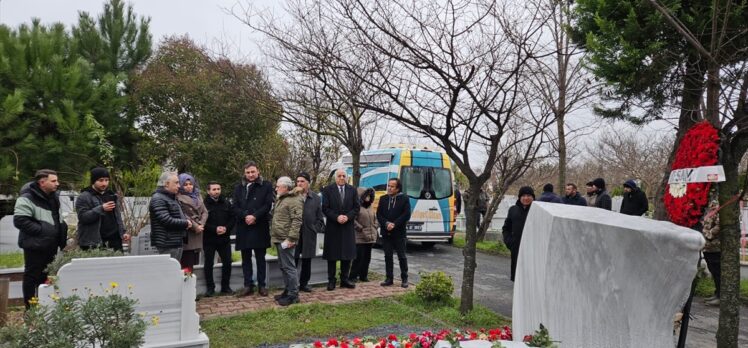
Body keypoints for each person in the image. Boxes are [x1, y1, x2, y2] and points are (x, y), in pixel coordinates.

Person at [14, 169, 67, 309]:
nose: (57, 183)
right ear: (42, 182)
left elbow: (56, 219)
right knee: (32, 278)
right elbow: (20, 221)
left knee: (47, 277)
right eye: (54, 181)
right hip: (35, 245)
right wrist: (43, 231)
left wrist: (61, 233)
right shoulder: (27, 197)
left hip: (51, 245)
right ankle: (31, 310)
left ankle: (45, 307)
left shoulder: (53, 197)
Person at [232, 162, 274, 297]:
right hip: (244, 226)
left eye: (253, 172)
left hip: (259, 225)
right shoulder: (239, 188)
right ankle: (248, 285)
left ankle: (262, 285)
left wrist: (255, 216)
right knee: (246, 258)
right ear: (245, 173)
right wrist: (245, 216)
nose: (250, 175)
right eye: (248, 172)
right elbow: (235, 206)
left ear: (258, 171)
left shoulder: (266, 185)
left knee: (261, 257)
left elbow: (268, 204)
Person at [321, 169, 360, 291]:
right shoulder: (327, 190)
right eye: (339, 176)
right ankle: (331, 280)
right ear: (335, 178)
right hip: (333, 226)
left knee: (347, 255)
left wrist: (347, 217)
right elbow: (325, 208)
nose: (342, 178)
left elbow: (356, 207)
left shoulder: (352, 190)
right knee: (332, 255)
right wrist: (336, 217)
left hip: (347, 227)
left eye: (344, 176)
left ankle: (344, 279)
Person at [270, 177, 304, 306]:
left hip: (286, 239)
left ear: (285, 187)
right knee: (283, 266)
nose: (276, 188)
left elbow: (297, 220)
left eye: (278, 186)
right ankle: (288, 290)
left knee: (289, 267)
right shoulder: (283, 198)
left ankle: (293, 295)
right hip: (279, 237)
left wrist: (291, 238)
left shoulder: (294, 200)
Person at [75, 167, 129, 251]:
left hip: (114, 241)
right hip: (94, 242)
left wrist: (123, 232)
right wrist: (101, 208)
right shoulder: (84, 196)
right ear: (93, 181)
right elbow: (83, 217)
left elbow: (117, 217)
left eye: (107, 180)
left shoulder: (112, 195)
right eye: (101, 180)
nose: (104, 183)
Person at [376, 178, 412, 288]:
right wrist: (386, 223)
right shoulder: (383, 199)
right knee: (388, 256)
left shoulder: (404, 199)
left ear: (397, 188)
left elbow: (406, 215)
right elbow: (379, 214)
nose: (389, 188)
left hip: (399, 233)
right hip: (386, 233)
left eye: (392, 186)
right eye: (389, 186)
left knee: (402, 256)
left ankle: (404, 278)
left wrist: (394, 224)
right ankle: (389, 278)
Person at [150, 172, 192, 260]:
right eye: (176, 183)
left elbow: (179, 215)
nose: (179, 186)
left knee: (174, 270)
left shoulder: (170, 197)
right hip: (167, 243)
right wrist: (185, 223)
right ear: (166, 184)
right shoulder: (158, 198)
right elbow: (166, 220)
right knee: (169, 271)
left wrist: (186, 220)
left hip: (174, 241)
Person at [294, 172, 324, 293]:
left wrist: (314, 228)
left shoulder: (316, 198)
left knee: (307, 260)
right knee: (293, 259)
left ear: (308, 183)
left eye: (302, 181)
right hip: (294, 234)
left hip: (309, 233)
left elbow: (320, 218)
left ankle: (304, 284)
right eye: (298, 181)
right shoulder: (292, 196)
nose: (300, 183)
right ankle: (292, 284)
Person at [203, 181, 234, 297]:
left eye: (218, 189)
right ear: (208, 191)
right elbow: (202, 222)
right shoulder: (203, 204)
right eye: (214, 189)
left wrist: (226, 228)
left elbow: (232, 218)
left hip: (224, 239)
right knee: (209, 263)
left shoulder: (226, 203)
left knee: (227, 262)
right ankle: (210, 288)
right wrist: (214, 229)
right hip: (209, 239)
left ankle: (225, 287)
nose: (216, 191)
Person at [176, 173, 208, 272]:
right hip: (189, 232)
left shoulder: (198, 195)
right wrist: (195, 226)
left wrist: (201, 224)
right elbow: (183, 214)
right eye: (185, 185)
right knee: (187, 264)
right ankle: (187, 285)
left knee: (194, 263)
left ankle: (191, 285)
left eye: (190, 184)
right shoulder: (178, 197)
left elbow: (205, 212)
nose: (189, 186)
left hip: (199, 231)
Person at [502, 186, 534, 282]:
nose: (526, 198)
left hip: (532, 249)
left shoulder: (536, 211)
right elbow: (506, 228)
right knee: (518, 277)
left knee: (531, 278)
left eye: (529, 195)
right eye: (523, 195)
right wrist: (509, 242)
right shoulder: (513, 210)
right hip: (516, 248)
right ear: (519, 197)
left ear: (533, 197)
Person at [350, 187, 378, 283]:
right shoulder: (357, 207)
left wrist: (376, 225)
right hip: (360, 236)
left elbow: (375, 218)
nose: (368, 198)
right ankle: (353, 276)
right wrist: (360, 228)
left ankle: (363, 275)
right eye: (366, 196)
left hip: (370, 237)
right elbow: (352, 220)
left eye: (370, 196)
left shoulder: (370, 207)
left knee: (367, 258)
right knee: (358, 258)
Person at [702, 193, 721, 306]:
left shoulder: (718, 207)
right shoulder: (708, 209)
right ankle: (716, 293)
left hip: (715, 245)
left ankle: (720, 296)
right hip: (708, 247)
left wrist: (709, 235)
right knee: (713, 271)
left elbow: (719, 224)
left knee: (718, 272)